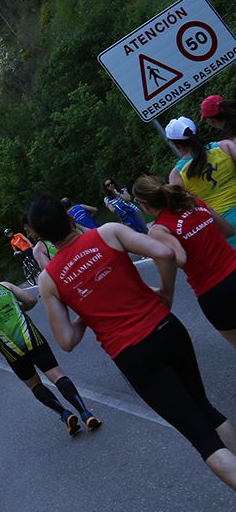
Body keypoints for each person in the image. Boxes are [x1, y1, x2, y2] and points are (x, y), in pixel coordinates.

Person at [27, 193, 236, 491]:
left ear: (41, 237)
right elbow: (164, 253)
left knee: (202, 438)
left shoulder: (49, 280)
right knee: (205, 409)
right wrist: (165, 294)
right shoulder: (109, 232)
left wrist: (85, 312)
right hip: (167, 328)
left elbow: (67, 340)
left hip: (132, 353)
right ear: (70, 217)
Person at [0, 267, 102, 435]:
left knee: (35, 385)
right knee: (57, 376)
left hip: (12, 351)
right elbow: (31, 299)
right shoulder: (4, 286)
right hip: (33, 339)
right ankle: (85, 413)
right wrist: (21, 308)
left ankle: (65, 414)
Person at [133, 174, 236, 348]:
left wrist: (158, 259)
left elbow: (179, 258)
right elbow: (227, 230)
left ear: (144, 204)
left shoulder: (159, 229)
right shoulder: (194, 203)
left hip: (214, 291)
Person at [167, 113, 236, 247]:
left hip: (224, 227)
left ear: (176, 145)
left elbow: (184, 211)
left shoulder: (176, 175)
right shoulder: (225, 146)